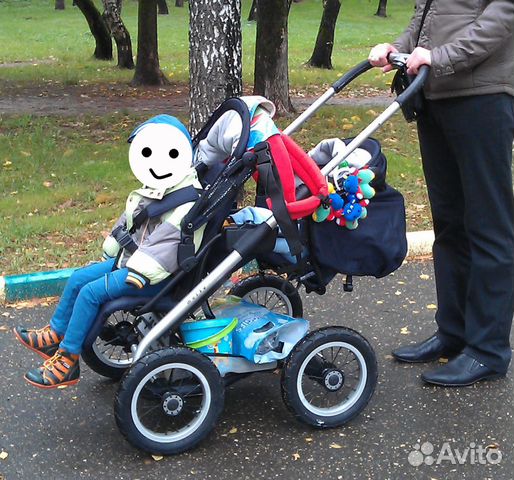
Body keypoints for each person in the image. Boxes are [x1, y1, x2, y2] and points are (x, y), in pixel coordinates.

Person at [369, 0, 514, 386]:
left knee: (489, 226)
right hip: (436, 94)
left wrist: (438, 57)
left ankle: (487, 351)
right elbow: (426, 15)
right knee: (449, 224)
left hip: (482, 96)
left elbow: (501, 18)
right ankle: (454, 332)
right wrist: (398, 48)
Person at [14, 115, 204, 389]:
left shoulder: (186, 202)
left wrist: (138, 272)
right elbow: (129, 223)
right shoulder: (159, 189)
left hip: (155, 276)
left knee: (91, 293)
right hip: (134, 262)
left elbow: (167, 245)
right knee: (79, 278)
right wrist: (113, 249)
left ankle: (68, 360)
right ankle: (55, 335)